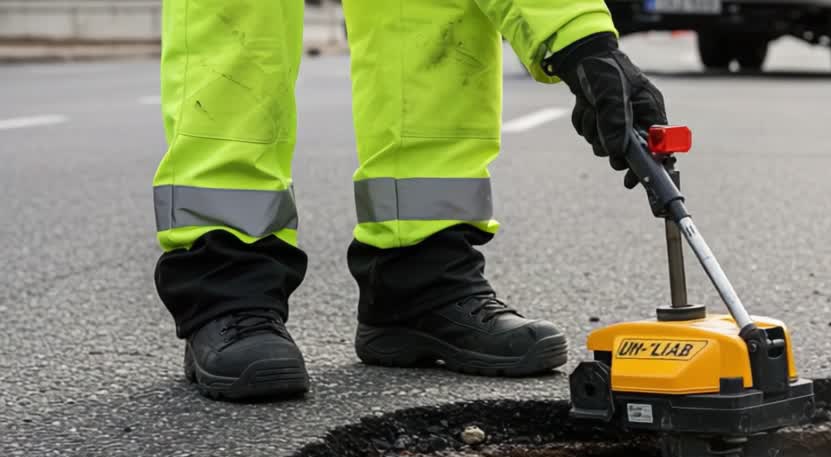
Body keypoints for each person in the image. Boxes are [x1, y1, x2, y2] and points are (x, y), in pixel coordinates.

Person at [152, 0, 666, 401]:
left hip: (420, 271)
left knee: (432, 16)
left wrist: (582, 40)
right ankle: (227, 281)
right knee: (238, 23)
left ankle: (419, 279)